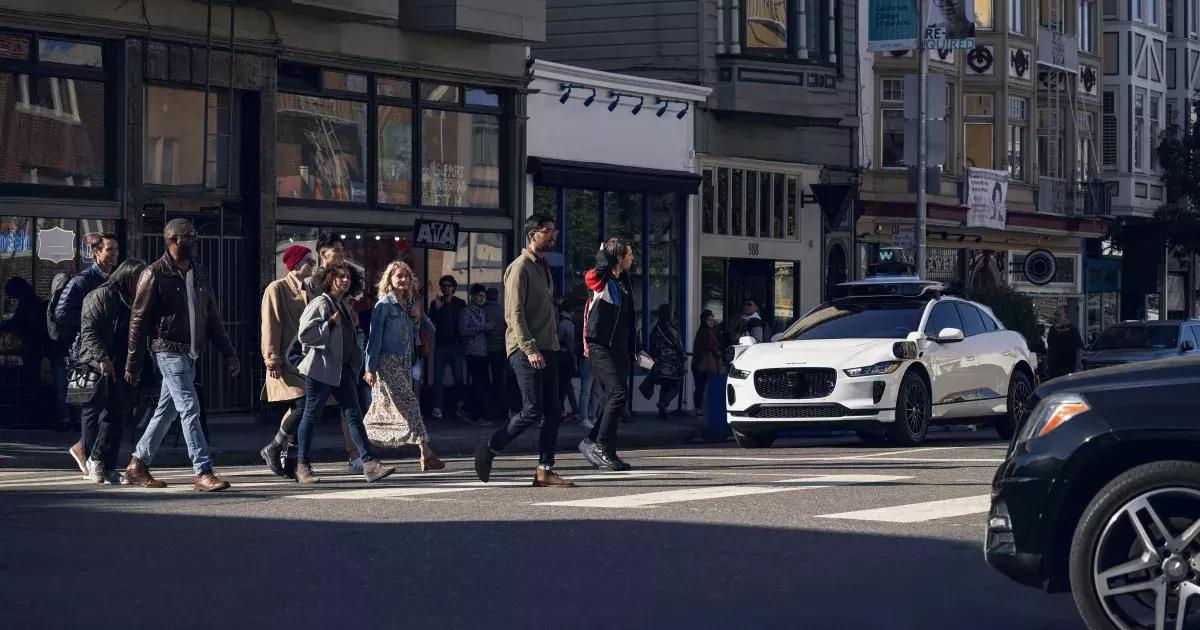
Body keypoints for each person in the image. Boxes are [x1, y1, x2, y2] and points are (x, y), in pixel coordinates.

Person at [123, 218, 240, 492]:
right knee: (189, 407)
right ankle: (202, 470)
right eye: (189, 236)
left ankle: (137, 463)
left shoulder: (198, 271)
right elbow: (137, 320)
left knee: (167, 412)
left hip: (190, 352)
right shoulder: (153, 273)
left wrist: (229, 353)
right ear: (173, 240)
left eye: (194, 235)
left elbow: (211, 315)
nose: (195, 240)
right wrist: (132, 362)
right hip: (167, 350)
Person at [473, 214, 573, 487]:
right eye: (547, 231)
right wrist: (529, 348)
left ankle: (544, 469)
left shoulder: (543, 266)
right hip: (525, 349)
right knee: (533, 409)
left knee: (553, 410)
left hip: (547, 347)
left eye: (555, 230)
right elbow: (513, 313)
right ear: (532, 235)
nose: (553, 235)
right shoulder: (520, 268)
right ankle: (490, 447)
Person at [294, 263, 395, 484]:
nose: (345, 280)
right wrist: (330, 324)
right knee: (311, 415)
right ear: (329, 279)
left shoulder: (344, 306)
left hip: (342, 370)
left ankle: (369, 463)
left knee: (353, 414)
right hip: (321, 369)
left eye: (348, 277)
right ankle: (302, 466)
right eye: (340, 277)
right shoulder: (321, 303)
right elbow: (305, 334)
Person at [362, 261, 444, 470]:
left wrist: (419, 315)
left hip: (406, 361)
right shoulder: (384, 305)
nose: (403, 279)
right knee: (411, 403)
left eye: (406, 276)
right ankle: (426, 451)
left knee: (400, 406)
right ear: (390, 279)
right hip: (387, 361)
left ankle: (361, 442)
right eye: (398, 276)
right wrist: (370, 367)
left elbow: (432, 328)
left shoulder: (409, 304)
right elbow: (374, 338)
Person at [77, 259, 146, 484]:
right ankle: (95, 459)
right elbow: (89, 329)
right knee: (105, 414)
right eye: (138, 278)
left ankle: (109, 464)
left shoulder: (133, 299)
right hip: (103, 362)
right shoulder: (102, 295)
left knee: (120, 414)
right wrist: (102, 358)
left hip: (124, 362)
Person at [58, 233, 120, 470]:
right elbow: (62, 314)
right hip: (87, 350)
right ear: (96, 252)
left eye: (116, 250)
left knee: (106, 404)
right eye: (109, 250)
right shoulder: (84, 280)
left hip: (108, 347)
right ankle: (86, 451)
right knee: (91, 404)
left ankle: (88, 449)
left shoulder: (112, 278)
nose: (114, 254)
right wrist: (91, 321)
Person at [579, 238, 637, 471]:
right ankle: (601, 447)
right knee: (617, 394)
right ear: (619, 258)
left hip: (618, 349)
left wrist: (636, 347)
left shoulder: (622, 281)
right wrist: (603, 255)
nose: (633, 258)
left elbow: (628, 319)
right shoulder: (601, 281)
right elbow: (592, 276)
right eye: (629, 254)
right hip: (600, 346)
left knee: (612, 399)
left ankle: (596, 444)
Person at [310, 234, 366, 472]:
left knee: (350, 407)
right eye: (337, 249)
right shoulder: (314, 282)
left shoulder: (344, 276)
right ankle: (289, 450)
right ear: (324, 253)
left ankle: (359, 456)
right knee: (307, 410)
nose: (342, 253)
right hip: (319, 354)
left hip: (342, 353)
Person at [258, 245, 315, 478]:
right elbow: (270, 323)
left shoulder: (310, 290)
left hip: (307, 360)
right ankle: (274, 447)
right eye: (308, 261)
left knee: (300, 407)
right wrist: (272, 357)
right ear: (295, 264)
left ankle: (291, 460)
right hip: (286, 359)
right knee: (304, 405)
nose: (312, 265)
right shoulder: (277, 288)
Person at [429, 274, 467, 420]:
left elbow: (464, 323)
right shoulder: (436, 303)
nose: (446, 288)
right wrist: (437, 308)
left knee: (458, 376)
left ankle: (459, 405)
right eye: (443, 286)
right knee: (438, 378)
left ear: (454, 287)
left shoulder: (460, 303)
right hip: (441, 345)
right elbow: (430, 323)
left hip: (457, 345)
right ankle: (438, 407)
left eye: (449, 285)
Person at [641, 304, 687, 419]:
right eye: (672, 313)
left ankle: (663, 412)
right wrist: (684, 361)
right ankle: (664, 403)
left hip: (658, 366)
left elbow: (651, 347)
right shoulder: (672, 330)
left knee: (664, 386)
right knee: (676, 386)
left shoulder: (655, 329)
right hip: (671, 366)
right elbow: (679, 347)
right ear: (669, 315)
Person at [458, 283, 493, 426]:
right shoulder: (466, 312)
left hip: (483, 352)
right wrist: (482, 327)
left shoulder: (481, 312)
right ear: (472, 296)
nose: (482, 299)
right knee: (478, 384)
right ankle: (476, 416)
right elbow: (463, 330)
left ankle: (467, 409)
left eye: (484, 296)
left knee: (482, 383)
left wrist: (488, 329)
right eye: (479, 296)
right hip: (472, 352)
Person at [482, 287, 511, 420]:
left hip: (486, 349)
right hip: (500, 350)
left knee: (484, 380)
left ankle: (487, 409)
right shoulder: (503, 311)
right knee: (499, 380)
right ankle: (502, 409)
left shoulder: (483, 310)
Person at [691, 309, 721, 416]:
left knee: (702, 387)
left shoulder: (709, 331)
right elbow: (710, 347)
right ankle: (701, 409)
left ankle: (700, 409)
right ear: (704, 320)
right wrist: (718, 353)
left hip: (701, 364)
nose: (712, 322)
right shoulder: (705, 332)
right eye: (709, 320)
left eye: (713, 320)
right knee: (702, 387)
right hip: (702, 364)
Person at [1045, 306, 1084, 379]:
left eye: (1058, 315)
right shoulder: (1052, 330)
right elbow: (1049, 348)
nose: (1055, 318)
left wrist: (1078, 366)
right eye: (1054, 315)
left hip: (1068, 369)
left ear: (1065, 316)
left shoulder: (1072, 331)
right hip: (1054, 370)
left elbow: (1079, 348)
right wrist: (1045, 364)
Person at [556, 300, 579, 420]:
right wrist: (573, 358)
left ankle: (574, 410)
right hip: (565, 357)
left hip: (556, 356)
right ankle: (562, 411)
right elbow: (570, 342)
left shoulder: (558, 321)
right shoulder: (568, 324)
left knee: (565, 386)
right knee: (564, 386)